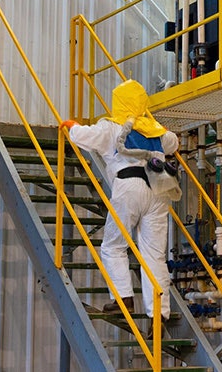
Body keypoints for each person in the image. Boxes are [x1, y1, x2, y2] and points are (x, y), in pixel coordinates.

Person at [60, 79, 178, 320]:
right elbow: (173, 141)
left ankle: (123, 298)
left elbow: (83, 136)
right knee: (154, 253)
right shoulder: (155, 131)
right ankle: (160, 313)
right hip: (158, 189)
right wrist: (154, 124)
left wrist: (70, 126)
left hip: (129, 186)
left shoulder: (112, 128)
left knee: (114, 246)